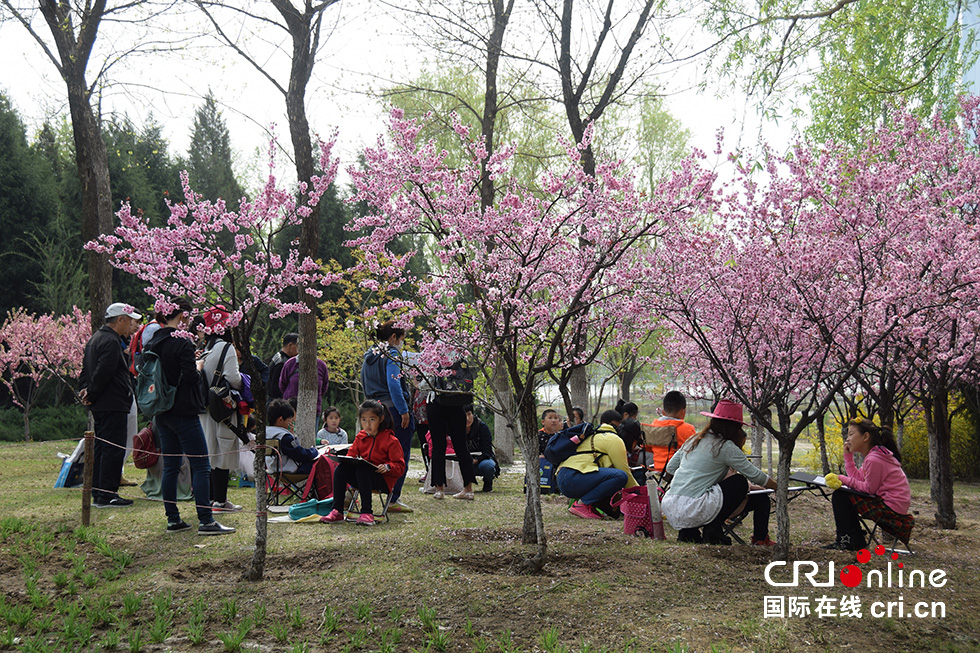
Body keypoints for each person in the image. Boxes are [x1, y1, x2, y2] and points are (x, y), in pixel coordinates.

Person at [145, 299, 235, 535]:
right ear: (182, 316)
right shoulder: (181, 342)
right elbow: (191, 378)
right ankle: (206, 520)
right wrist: (197, 365)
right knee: (201, 465)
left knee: (171, 467)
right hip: (184, 411)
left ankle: (173, 519)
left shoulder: (153, 340)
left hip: (162, 411)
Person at [661, 400, 776, 545]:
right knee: (739, 482)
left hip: (671, 504)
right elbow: (754, 475)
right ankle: (713, 530)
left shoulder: (694, 439)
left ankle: (688, 533)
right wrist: (777, 487)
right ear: (735, 427)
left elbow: (670, 469)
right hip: (696, 506)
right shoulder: (725, 446)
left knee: (760, 499)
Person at [79, 302, 142, 508]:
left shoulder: (95, 338)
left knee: (101, 447)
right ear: (120, 319)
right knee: (113, 448)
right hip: (111, 401)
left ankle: (99, 490)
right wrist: (93, 393)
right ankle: (107, 493)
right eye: (130, 320)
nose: (132, 324)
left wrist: (85, 390)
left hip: (101, 402)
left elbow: (85, 370)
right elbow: (103, 372)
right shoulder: (111, 341)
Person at [823, 418, 913, 551]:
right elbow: (858, 478)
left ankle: (849, 541)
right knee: (844, 494)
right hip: (890, 503)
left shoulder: (874, 459)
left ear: (865, 437)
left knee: (841, 496)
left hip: (890, 508)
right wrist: (848, 457)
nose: (848, 439)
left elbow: (869, 489)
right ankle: (854, 539)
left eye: (851, 434)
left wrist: (842, 479)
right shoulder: (875, 455)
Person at [319, 400, 407, 526]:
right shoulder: (361, 437)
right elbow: (351, 456)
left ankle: (367, 513)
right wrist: (347, 460)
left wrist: (388, 467)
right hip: (363, 478)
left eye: (372, 419)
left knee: (362, 470)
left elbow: (400, 466)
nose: (367, 424)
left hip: (382, 480)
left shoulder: (391, 440)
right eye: (364, 420)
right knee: (342, 468)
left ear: (381, 419)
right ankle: (337, 511)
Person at [360, 321, 415, 513]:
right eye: (401, 339)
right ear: (393, 338)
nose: (401, 343)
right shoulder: (391, 355)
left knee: (370, 453)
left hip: (372, 409)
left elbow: (364, 382)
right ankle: (393, 498)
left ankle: (359, 491)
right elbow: (394, 385)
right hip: (392, 411)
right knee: (399, 455)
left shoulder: (369, 356)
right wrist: (403, 411)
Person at [198, 305, 245, 513]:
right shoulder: (227, 348)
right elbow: (234, 379)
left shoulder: (204, 349)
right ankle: (220, 501)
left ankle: (209, 499)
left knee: (210, 452)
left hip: (206, 408)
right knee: (224, 451)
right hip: (223, 408)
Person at [557, 409, 636, 519]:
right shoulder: (612, 438)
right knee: (620, 476)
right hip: (573, 478)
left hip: (564, 477)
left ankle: (590, 506)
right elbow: (624, 472)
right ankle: (582, 504)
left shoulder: (592, 435)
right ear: (614, 423)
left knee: (614, 476)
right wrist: (639, 493)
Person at [265, 399, 333, 499]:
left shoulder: (267, 432)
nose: (290, 423)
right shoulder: (283, 436)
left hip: (273, 469)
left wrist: (292, 434)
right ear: (280, 420)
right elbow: (300, 454)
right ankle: (318, 495)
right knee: (320, 463)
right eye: (289, 421)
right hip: (288, 470)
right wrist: (314, 451)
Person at [644, 391, 697, 473]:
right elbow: (694, 451)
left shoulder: (653, 427)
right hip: (678, 471)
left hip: (657, 470)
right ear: (683, 411)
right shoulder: (687, 429)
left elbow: (648, 448)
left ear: (663, 412)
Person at [279, 352, 329, 419]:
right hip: (290, 410)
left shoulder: (321, 365)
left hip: (312, 410)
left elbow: (324, 387)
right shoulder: (290, 364)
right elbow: (282, 384)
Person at [464, 406, 499, 492]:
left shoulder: (482, 427)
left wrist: (476, 460)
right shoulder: (456, 429)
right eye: (464, 415)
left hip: (481, 459)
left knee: (488, 466)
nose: (467, 418)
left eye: (469, 414)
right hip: (463, 460)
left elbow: (488, 451)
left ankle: (488, 482)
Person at [266, 333, 298, 403]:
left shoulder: (278, 356)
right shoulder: (282, 362)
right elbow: (276, 388)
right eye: (298, 346)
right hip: (278, 403)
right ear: (290, 345)